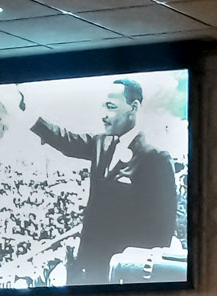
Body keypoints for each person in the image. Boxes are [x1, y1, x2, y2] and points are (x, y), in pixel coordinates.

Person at [29, 78, 177, 284]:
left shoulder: (155, 157)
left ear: (134, 107)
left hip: (122, 276)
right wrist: (32, 120)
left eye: (111, 107)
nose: (103, 115)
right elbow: (66, 140)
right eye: (103, 107)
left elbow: (162, 231)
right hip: (88, 270)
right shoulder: (102, 142)